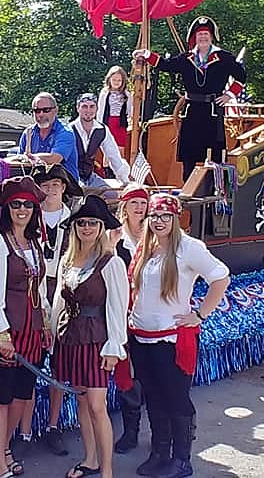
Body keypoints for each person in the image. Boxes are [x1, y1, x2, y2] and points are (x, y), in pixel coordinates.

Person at [128, 194, 230, 478]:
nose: (159, 221)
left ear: (175, 218)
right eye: (154, 216)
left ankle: (181, 459)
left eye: (165, 216)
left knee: (175, 398)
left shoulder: (189, 248)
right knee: (153, 396)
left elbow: (221, 277)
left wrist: (199, 315)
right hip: (141, 337)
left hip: (170, 340)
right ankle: (160, 452)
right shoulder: (145, 247)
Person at [0, 176, 53, 478]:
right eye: (16, 204)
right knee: (0, 397)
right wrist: (2, 335)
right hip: (3, 331)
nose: (22, 209)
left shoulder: (34, 242)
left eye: (27, 205)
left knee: (22, 395)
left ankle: (4, 447)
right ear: (7, 209)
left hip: (30, 331)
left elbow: (40, 288)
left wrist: (44, 320)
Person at [51, 195, 129, 478]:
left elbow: (118, 308)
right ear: (74, 227)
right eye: (81, 222)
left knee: (97, 405)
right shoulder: (67, 261)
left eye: (92, 223)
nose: (86, 228)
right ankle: (91, 460)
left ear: (101, 227)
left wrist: (114, 346)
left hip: (97, 341)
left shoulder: (111, 263)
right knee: (83, 401)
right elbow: (59, 305)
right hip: (69, 339)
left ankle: (107, 471)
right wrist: (52, 337)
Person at [18, 164, 83, 455]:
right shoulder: (28, 219)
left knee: (58, 368)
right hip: (33, 291)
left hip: (64, 293)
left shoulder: (76, 222)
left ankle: (53, 426)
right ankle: (24, 430)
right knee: (29, 364)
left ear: (64, 188)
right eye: (45, 184)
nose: (51, 189)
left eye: (56, 185)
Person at [133, 16, 247, 182]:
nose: (203, 37)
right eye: (200, 34)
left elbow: (241, 76)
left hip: (212, 112)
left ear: (212, 37)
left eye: (206, 34)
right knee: (189, 158)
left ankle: (215, 194)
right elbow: (167, 65)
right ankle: (188, 193)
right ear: (195, 37)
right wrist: (147, 55)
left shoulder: (223, 57)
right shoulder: (187, 58)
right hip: (191, 111)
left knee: (214, 158)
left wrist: (229, 95)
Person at [109, 184, 149, 454]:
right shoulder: (115, 238)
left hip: (149, 314)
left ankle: (163, 432)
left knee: (151, 372)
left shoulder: (155, 236)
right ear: (124, 206)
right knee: (127, 374)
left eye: (143, 203)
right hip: (123, 312)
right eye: (134, 203)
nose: (139, 208)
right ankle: (130, 431)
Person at [71, 93, 131, 189]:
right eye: (84, 107)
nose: (88, 110)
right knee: (81, 194)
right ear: (78, 108)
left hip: (89, 176)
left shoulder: (102, 129)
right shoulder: (69, 130)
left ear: (96, 108)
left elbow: (113, 155)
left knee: (110, 195)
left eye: (92, 106)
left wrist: (125, 181)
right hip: (71, 177)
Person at [18, 92, 80, 180]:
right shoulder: (28, 133)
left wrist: (29, 157)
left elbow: (54, 158)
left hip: (65, 188)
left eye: (46, 110)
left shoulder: (65, 132)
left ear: (55, 110)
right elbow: (19, 163)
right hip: (36, 186)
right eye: (37, 110)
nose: (41, 114)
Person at [97, 66, 134, 151]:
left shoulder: (126, 94)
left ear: (123, 81)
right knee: (108, 149)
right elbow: (100, 110)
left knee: (120, 148)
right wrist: (99, 124)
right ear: (109, 79)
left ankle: (120, 164)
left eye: (119, 80)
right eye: (114, 80)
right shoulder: (105, 93)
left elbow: (129, 110)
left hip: (120, 123)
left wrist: (133, 118)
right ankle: (107, 164)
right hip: (108, 122)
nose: (116, 82)